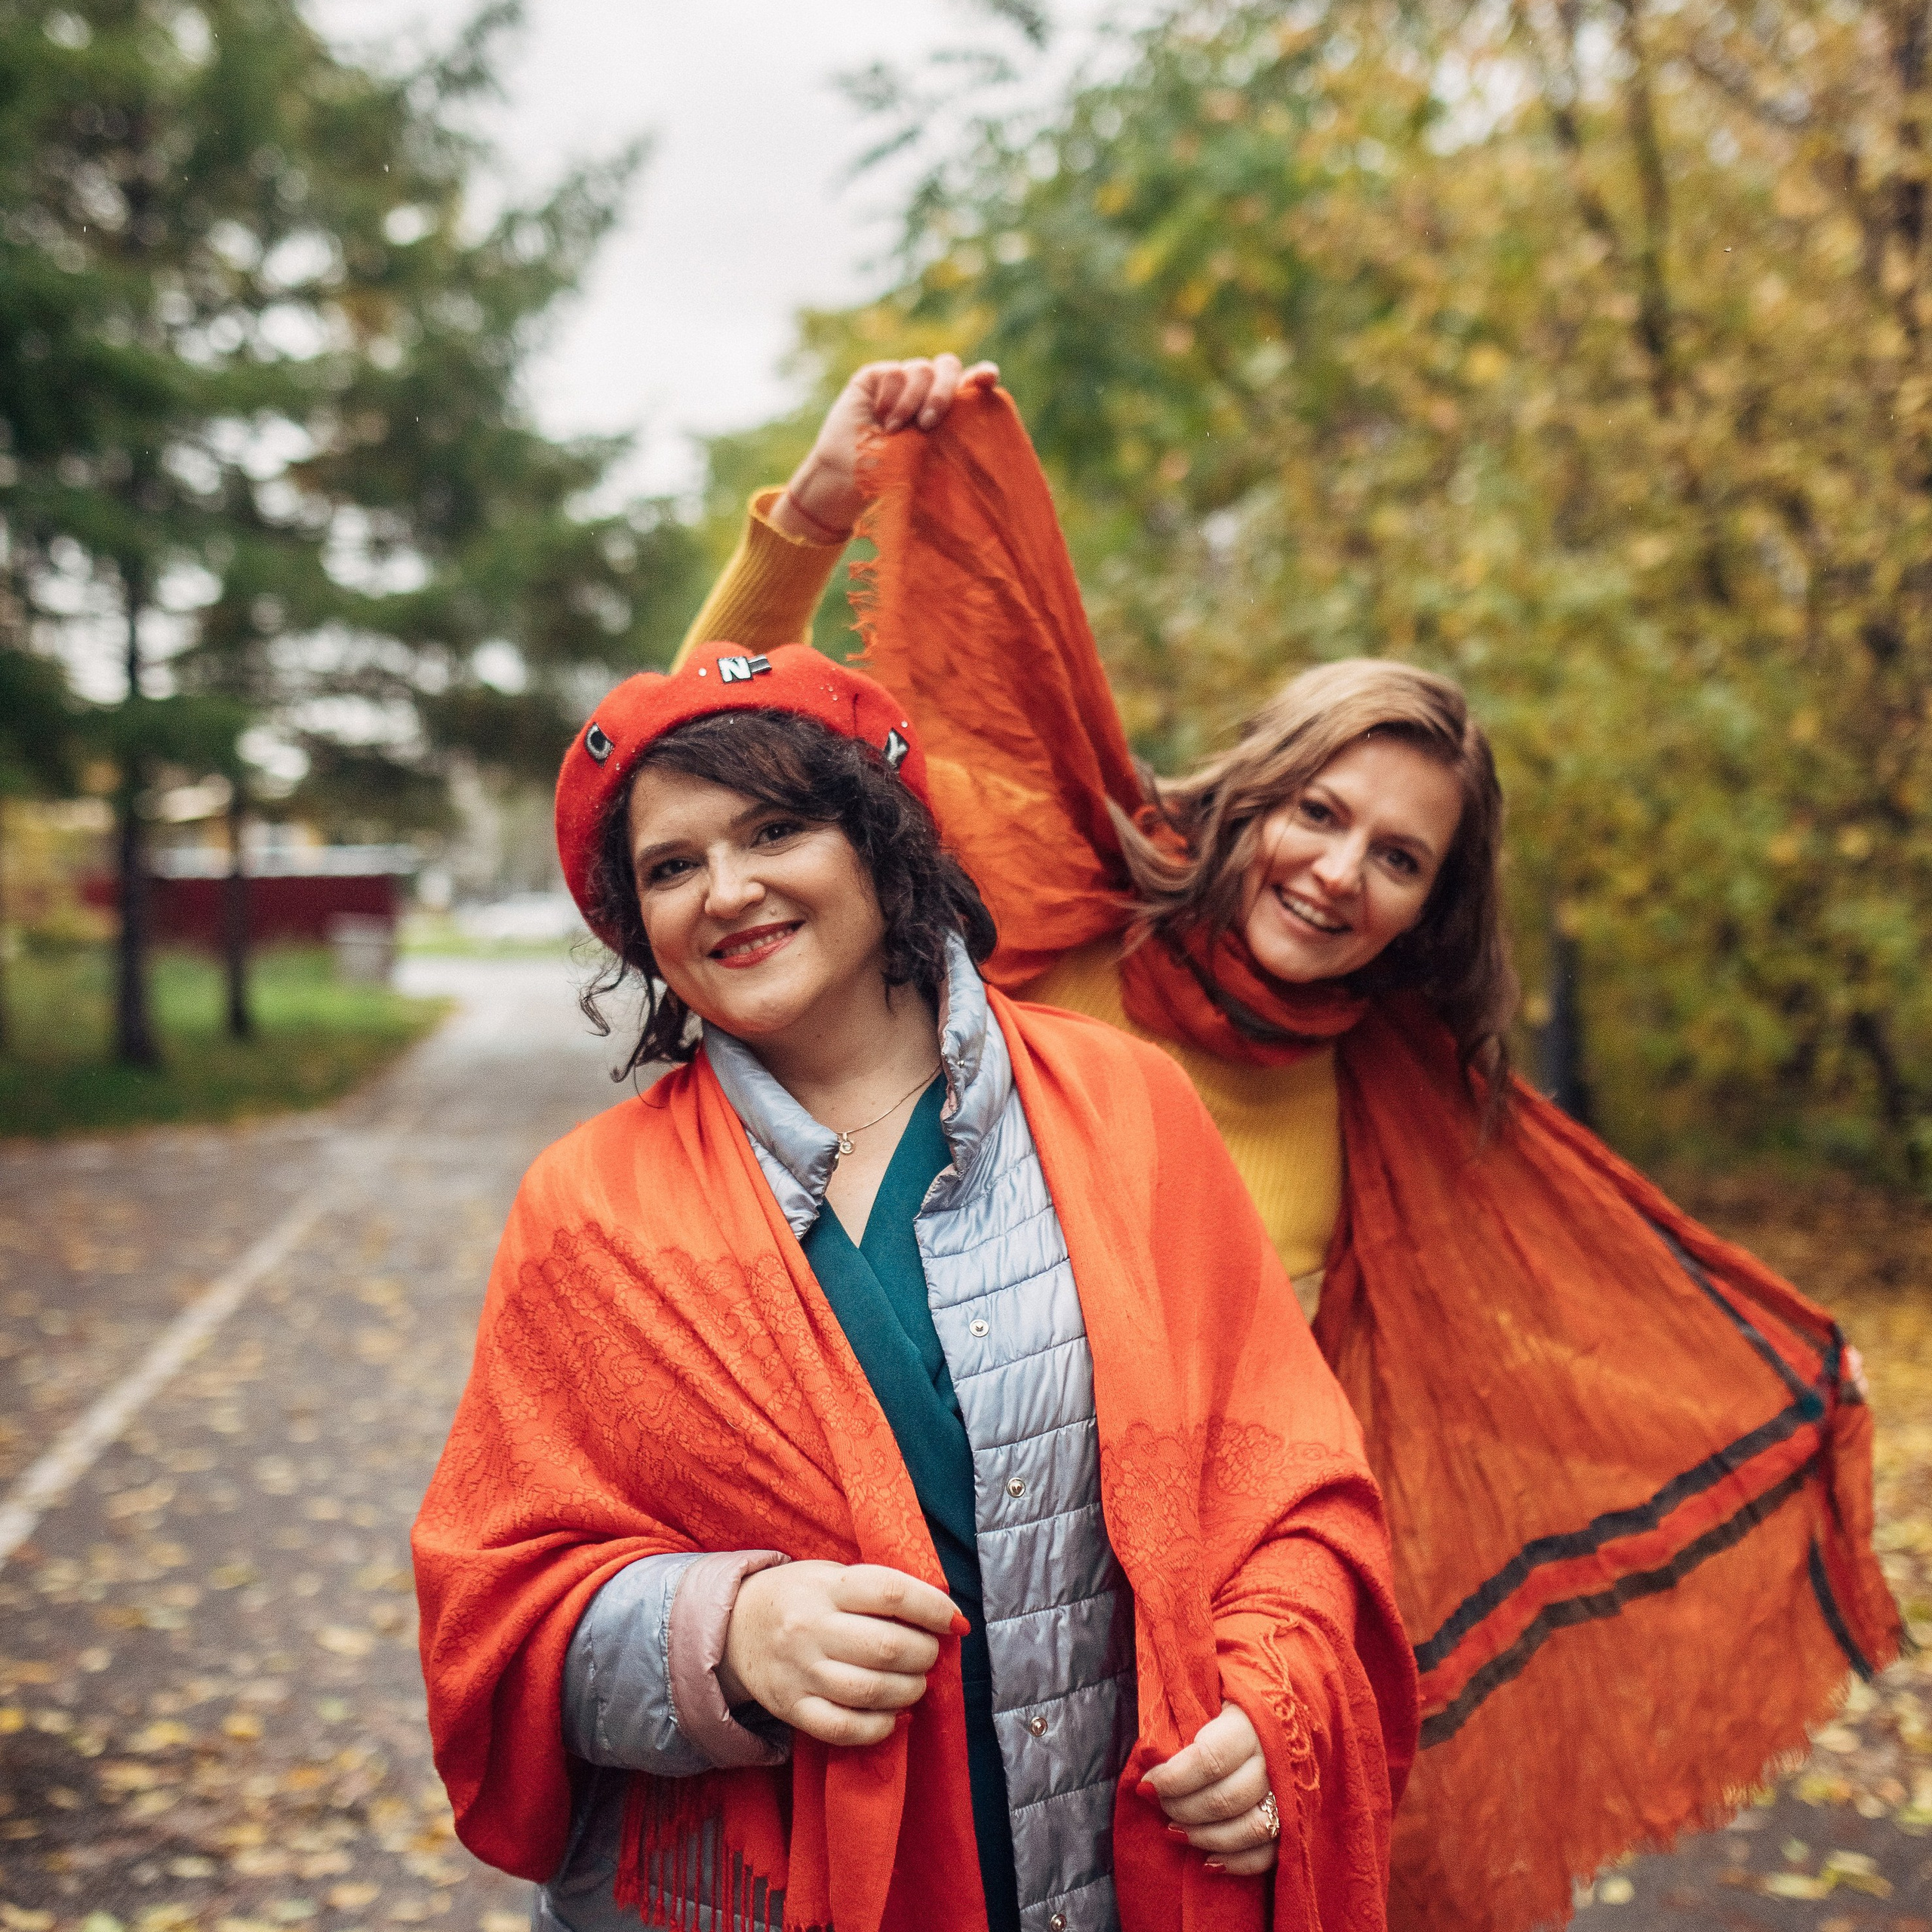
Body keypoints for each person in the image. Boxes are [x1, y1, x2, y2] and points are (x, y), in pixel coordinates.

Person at [668, 358, 1901, 1932]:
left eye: (1397, 856)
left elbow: (1505, 1361)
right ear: (1250, 795)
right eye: (1319, 812)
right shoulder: (1036, 935)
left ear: (1431, 902)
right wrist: (823, 501)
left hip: (1201, 1674)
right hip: (934, 1593)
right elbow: (710, 776)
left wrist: (1779, 1397)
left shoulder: (1391, 1096)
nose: (1337, 873)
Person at [411, 643, 1420, 1932]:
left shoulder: (1128, 1109)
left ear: (881, 840)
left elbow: (1298, 1496)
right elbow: (489, 1610)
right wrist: (725, 1635)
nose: (730, 890)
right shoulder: (587, 1207)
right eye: (672, 865)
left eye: (778, 827)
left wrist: (1271, 1707)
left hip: (1117, 1876)